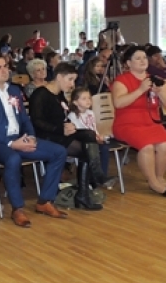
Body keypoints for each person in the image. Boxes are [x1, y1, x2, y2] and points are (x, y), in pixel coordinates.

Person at [0, 56, 68, 227]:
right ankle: (17, 208)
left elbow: (24, 117)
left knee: (59, 152)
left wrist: (31, 136)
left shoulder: (14, 90)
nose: (4, 70)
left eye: (5, 66)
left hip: (20, 138)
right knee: (13, 159)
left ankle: (45, 201)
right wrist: (11, 144)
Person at [28, 63, 113, 210]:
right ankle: (89, 188)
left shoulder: (59, 94)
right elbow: (37, 121)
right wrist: (61, 128)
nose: (72, 84)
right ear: (59, 77)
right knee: (88, 146)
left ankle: (87, 189)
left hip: (62, 133)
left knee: (89, 136)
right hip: (47, 136)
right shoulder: (40, 94)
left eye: (73, 80)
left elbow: (63, 116)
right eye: (70, 79)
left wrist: (68, 125)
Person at [111, 45, 166, 196]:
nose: (143, 61)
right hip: (127, 124)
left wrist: (160, 92)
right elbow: (118, 103)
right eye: (138, 58)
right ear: (128, 63)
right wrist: (140, 90)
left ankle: (159, 177)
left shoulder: (156, 80)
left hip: (151, 122)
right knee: (147, 147)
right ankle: (152, 181)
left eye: (144, 57)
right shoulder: (121, 81)